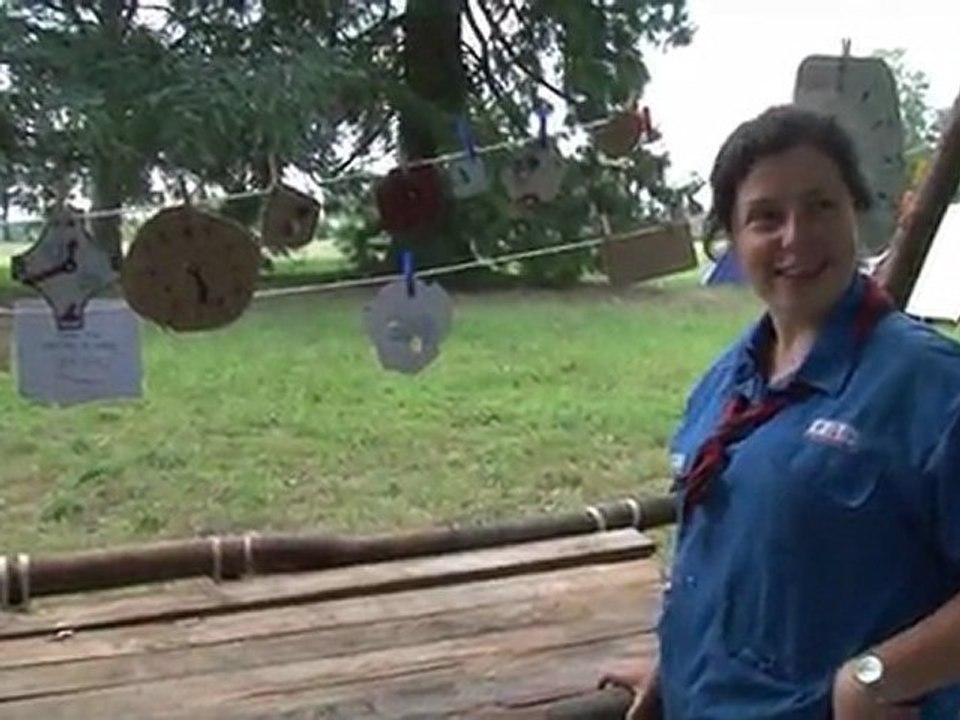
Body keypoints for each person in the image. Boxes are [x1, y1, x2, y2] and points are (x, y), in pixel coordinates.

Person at [600, 104, 960, 719]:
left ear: (857, 214)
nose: (796, 236)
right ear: (734, 241)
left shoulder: (931, 387)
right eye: (766, 218)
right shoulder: (722, 386)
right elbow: (735, 557)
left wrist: (874, 677)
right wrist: (682, 658)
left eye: (821, 206)